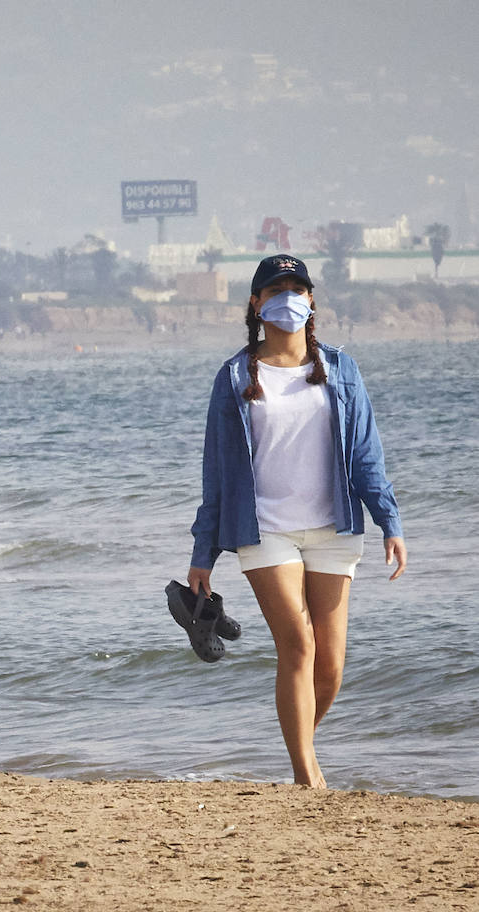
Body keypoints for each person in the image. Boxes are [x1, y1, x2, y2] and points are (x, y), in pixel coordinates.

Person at [186, 254, 407, 788]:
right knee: (298, 645)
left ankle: (299, 750)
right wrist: (203, 553)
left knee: (330, 666)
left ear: (311, 302)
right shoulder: (236, 375)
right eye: (276, 288)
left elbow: (365, 453)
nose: (288, 295)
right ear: (256, 303)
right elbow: (216, 470)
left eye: (297, 287)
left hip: (335, 527)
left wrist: (389, 520)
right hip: (265, 530)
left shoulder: (340, 369)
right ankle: (308, 778)